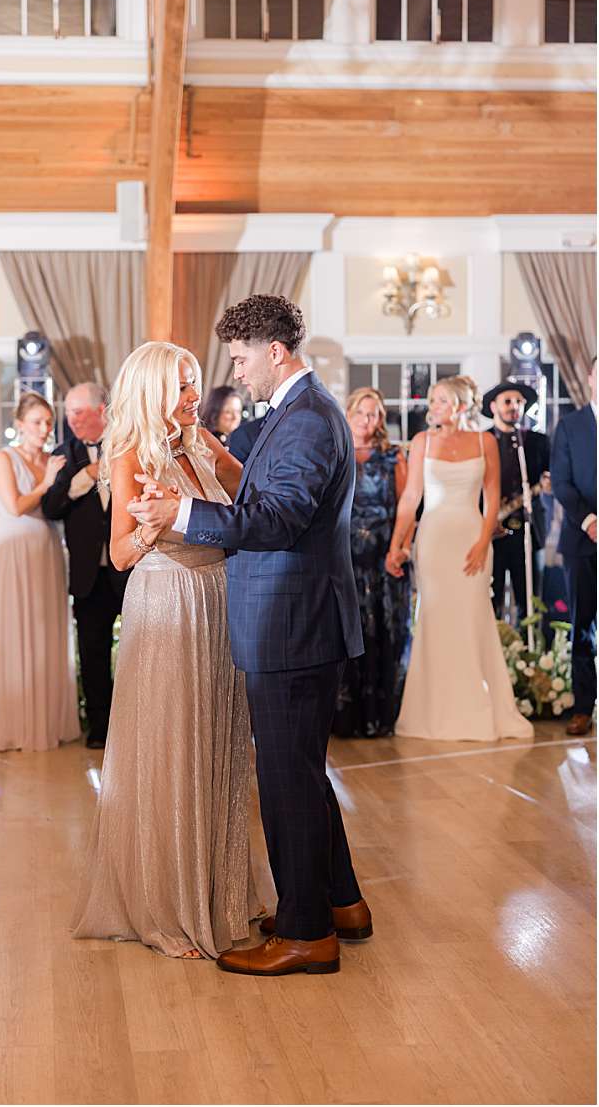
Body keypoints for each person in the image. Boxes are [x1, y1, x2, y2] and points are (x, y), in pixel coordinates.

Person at [129, 294, 369, 978]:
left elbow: (276, 519)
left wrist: (181, 511)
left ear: (275, 352)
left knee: (287, 778)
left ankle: (305, 932)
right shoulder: (300, 413)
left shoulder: (306, 420)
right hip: (298, 618)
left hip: (292, 622)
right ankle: (341, 900)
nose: (235, 374)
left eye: (240, 359)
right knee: (303, 773)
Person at [72, 343, 273, 959]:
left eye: (194, 385)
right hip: (168, 600)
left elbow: (255, 497)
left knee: (218, 741)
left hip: (218, 597)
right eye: (183, 387)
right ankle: (168, 908)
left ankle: (224, 892)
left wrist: (219, 458)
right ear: (155, 390)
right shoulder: (129, 453)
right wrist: (153, 524)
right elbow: (120, 555)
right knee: (173, 744)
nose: (194, 396)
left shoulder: (203, 443)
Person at [387, 376, 532, 742]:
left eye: (439, 401)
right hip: (434, 540)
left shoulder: (486, 442)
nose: (432, 407)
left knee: (472, 619)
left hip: (472, 538)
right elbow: (410, 498)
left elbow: (492, 497)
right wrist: (397, 544)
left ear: (461, 405)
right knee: (435, 621)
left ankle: (477, 708)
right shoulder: (422, 441)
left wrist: (484, 541)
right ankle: (432, 712)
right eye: (432, 401)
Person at [0, 391, 79, 751]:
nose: (45, 428)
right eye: (37, 422)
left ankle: (45, 721)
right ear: (19, 425)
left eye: (49, 422)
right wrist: (48, 482)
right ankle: (13, 722)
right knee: (14, 630)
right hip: (11, 550)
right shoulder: (4, 458)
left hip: (47, 549)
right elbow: (15, 506)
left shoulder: (54, 459)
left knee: (45, 632)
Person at [40, 381, 128, 748]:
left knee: (139, 650)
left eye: (77, 412)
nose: (71, 420)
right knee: (92, 653)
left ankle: (137, 726)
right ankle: (100, 729)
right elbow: (51, 506)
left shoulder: (128, 443)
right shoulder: (65, 454)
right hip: (89, 575)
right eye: (69, 413)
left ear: (101, 411)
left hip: (130, 568)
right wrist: (81, 479)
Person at [333, 387, 412, 738]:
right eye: (362, 412)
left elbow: (409, 509)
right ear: (348, 413)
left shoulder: (393, 455)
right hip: (344, 557)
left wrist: (401, 550)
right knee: (348, 635)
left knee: (386, 633)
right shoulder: (334, 452)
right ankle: (347, 719)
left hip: (385, 559)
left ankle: (383, 718)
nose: (369, 420)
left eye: (375, 413)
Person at [549, 357, 596, 737]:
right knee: (582, 626)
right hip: (582, 540)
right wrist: (590, 521)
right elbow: (562, 483)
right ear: (591, 377)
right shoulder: (570, 425)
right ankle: (583, 707)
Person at [482, 380, 551, 628]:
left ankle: (529, 661)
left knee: (530, 601)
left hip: (529, 531)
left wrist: (548, 483)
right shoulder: (482, 441)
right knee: (491, 598)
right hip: (492, 533)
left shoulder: (538, 442)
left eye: (519, 402)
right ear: (493, 406)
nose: (514, 407)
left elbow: (551, 476)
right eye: (508, 402)